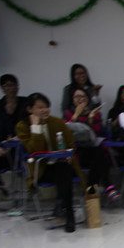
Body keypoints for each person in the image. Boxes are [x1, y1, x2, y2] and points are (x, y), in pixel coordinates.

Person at [16, 93, 85, 232]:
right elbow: (33, 150)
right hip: (41, 170)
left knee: (64, 169)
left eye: (47, 106)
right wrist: (35, 127)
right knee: (64, 175)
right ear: (30, 109)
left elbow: (71, 143)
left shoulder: (57, 122)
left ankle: (67, 210)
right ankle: (66, 209)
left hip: (62, 165)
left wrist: (66, 154)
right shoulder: (22, 126)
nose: (45, 110)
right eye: (40, 107)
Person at [63, 89, 120, 202]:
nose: (81, 99)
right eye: (77, 96)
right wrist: (76, 115)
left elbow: (96, 134)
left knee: (98, 156)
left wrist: (91, 119)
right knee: (98, 157)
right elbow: (66, 132)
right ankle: (106, 186)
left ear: (87, 99)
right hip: (75, 152)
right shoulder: (68, 114)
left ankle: (91, 193)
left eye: (83, 96)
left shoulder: (95, 114)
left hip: (91, 150)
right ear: (72, 100)